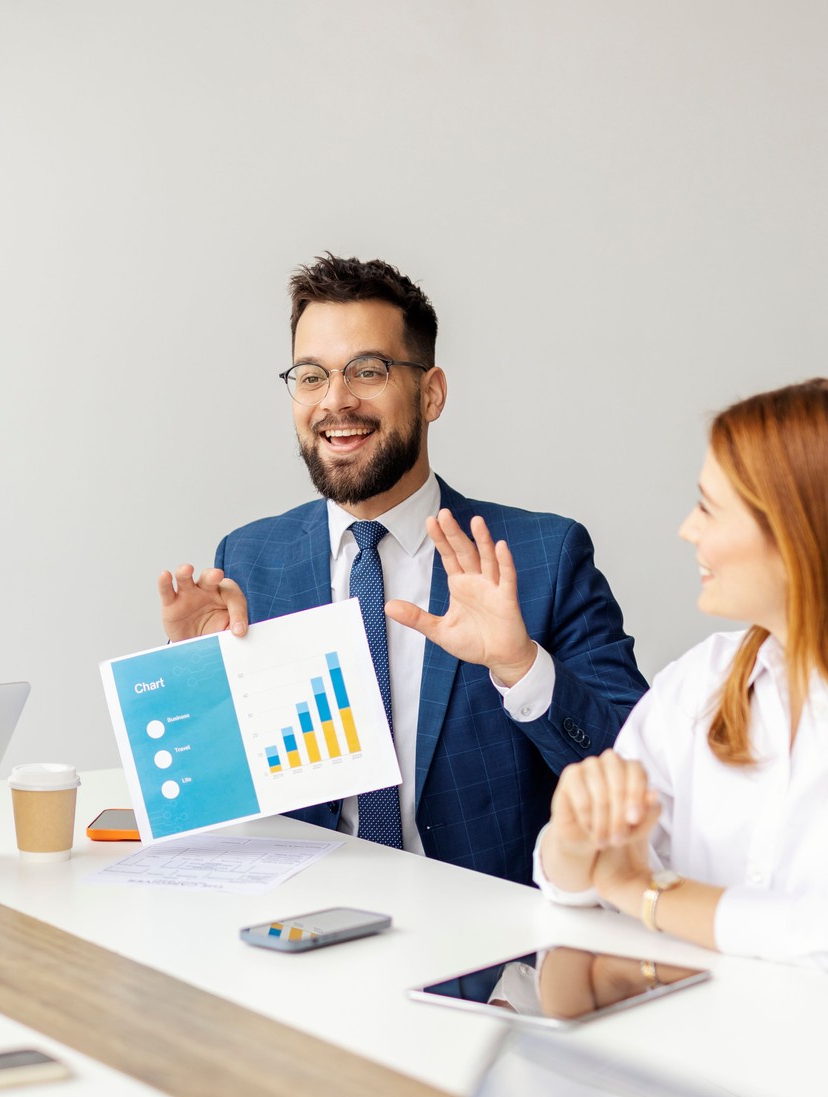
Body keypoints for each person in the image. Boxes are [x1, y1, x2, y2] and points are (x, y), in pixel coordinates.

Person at [415, 379, 828, 1006]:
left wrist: (644, 891)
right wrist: (577, 844)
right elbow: (576, 893)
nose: (687, 530)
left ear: (800, 533)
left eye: (708, 507)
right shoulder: (706, 679)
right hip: (708, 1046)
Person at [159, 255, 647, 883]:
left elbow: (637, 771)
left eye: (368, 370)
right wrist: (196, 675)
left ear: (431, 392)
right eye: (311, 376)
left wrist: (521, 665)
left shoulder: (543, 556)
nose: (336, 402)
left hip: (486, 957)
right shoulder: (250, 559)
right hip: (303, 930)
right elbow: (218, 807)